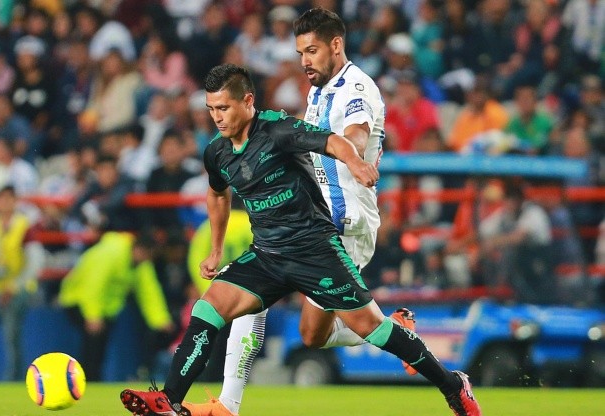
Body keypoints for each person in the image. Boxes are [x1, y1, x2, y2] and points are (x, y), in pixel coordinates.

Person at [119, 64, 481, 416]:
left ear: (248, 101)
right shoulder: (217, 151)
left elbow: (333, 141)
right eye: (211, 108)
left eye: (224, 107)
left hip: (314, 250)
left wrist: (356, 164)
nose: (217, 116)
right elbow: (217, 195)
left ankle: (453, 386)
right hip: (267, 256)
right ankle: (170, 401)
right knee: (207, 308)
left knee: (369, 326)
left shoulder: (277, 129)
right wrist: (215, 249)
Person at [184, 9, 417, 416]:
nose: (304, 60)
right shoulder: (318, 91)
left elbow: (356, 133)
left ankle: (228, 404)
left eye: (311, 51)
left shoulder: (356, 88)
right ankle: (390, 328)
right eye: (300, 52)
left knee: (264, 304)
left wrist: (350, 152)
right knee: (308, 333)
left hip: (345, 221)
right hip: (310, 218)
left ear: (336, 45)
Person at [58, 231, 174, 381]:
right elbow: (93, 286)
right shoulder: (110, 254)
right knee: (92, 344)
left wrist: (160, 320)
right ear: (139, 249)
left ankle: (91, 381)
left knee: (99, 346)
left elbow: (149, 292)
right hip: (77, 300)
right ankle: (84, 380)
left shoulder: (141, 263)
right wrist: (93, 315)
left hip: (106, 309)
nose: (147, 261)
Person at [0, 185, 44, 380]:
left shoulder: (24, 225)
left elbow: (36, 261)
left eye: (10, 198)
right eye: (2, 198)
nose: (5, 203)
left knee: (11, 334)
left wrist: (15, 286)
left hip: (18, 287)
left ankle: (14, 378)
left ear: (15, 202)